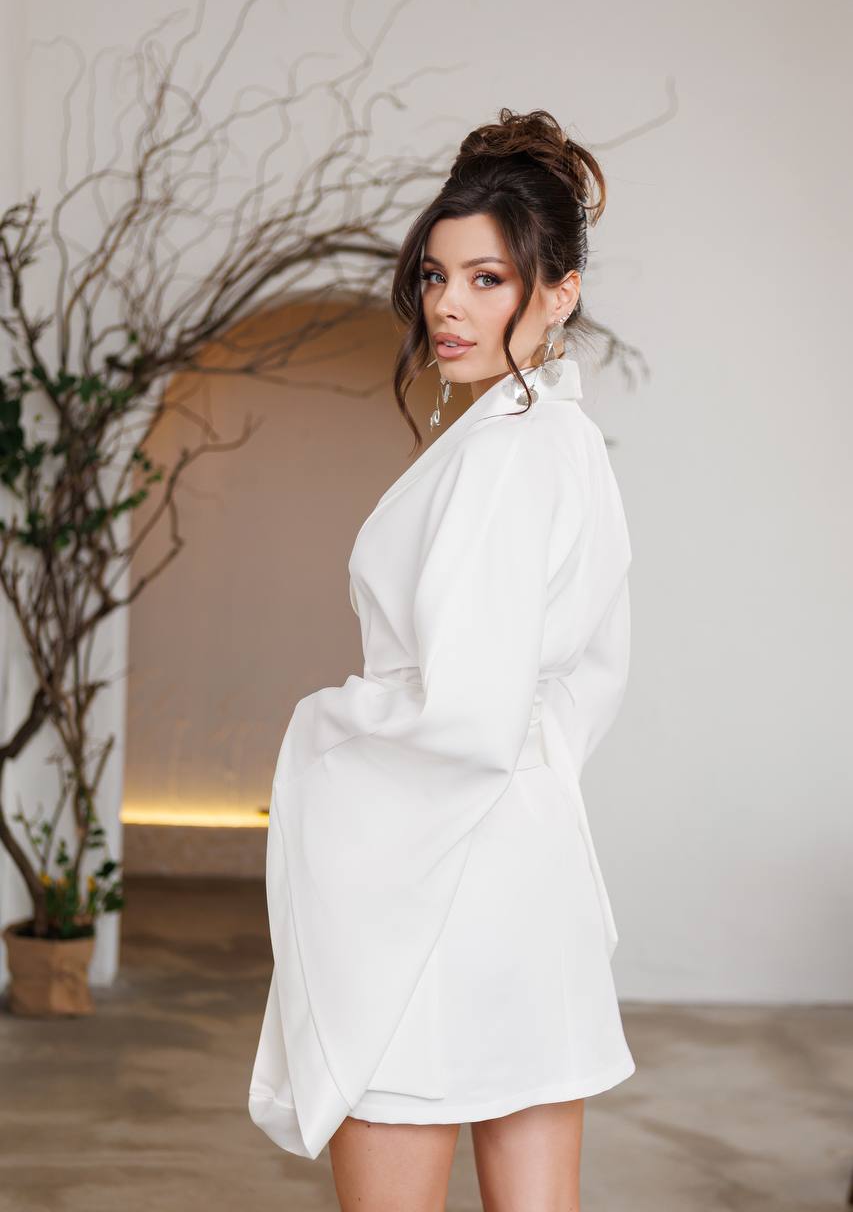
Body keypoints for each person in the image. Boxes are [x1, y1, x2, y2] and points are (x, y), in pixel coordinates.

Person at [248, 107, 636, 1211]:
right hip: (531, 863)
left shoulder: (505, 453)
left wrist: (323, 730)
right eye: (435, 276)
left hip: (439, 872)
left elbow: (466, 713)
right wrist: (531, 775)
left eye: (487, 279)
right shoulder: (562, 436)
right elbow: (585, 680)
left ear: (557, 292)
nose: (447, 306)